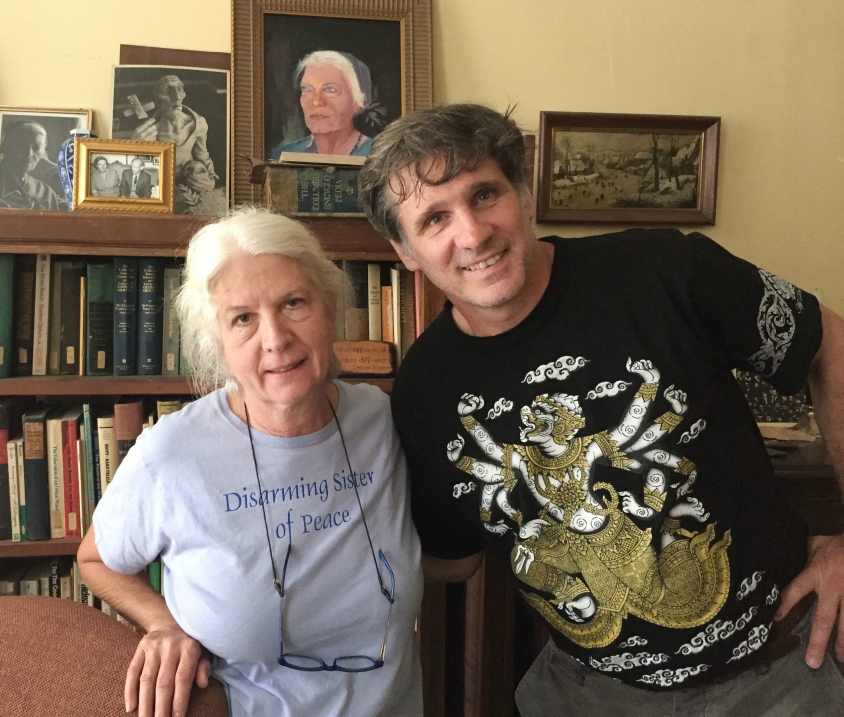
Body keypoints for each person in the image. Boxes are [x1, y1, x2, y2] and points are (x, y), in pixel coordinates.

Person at [357, 103, 844, 715]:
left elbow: (829, 343)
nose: (473, 233)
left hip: (781, 671)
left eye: (484, 194)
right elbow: (448, 562)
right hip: (588, 694)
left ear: (523, 196)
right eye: (435, 219)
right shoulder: (426, 390)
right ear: (404, 251)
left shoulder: (665, 270)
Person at [77, 208, 424, 717]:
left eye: (293, 303)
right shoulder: (170, 454)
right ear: (216, 341)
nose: (276, 338)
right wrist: (163, 623)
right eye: (243, 318)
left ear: (329, 310)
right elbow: (96, 560)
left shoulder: (382, 419)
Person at [131, 74, 220, 203]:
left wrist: (211, 179)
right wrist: (136, 148)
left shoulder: (198, 123)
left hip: (190, 179)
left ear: (184, 94)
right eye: (167, 90)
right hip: (164, 180)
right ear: (158, 100)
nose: (176, 97)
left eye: (179, 89)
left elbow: (202, 154)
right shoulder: (149, 130)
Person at [270, 51, 375, 161]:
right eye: (306, 89)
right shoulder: (284, 156)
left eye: (330, 90)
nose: (316, 101)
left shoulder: (378, 157)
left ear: (358, 102)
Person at [0, 121, 63, 210]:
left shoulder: (45, 191)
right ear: (6, 146)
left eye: (36, 148)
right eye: (22, 146)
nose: (29, 153)